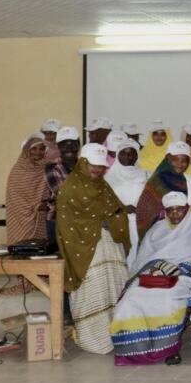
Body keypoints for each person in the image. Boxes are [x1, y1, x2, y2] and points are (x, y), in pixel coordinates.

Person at [111, 191, 191, 365]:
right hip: (153, 275)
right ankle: (133, 350)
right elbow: (143, 258)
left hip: (183, 276)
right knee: (130, 299)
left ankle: (168, 350)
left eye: (179, 210)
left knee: (167, 300)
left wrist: (175, 270)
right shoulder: (156, 229)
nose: (175, 214)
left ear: (187, 209)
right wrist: (156, 269)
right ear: (165, 212)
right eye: (171, 210)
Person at [56, 143, 132, 354]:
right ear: (83, 163)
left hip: (109, 247)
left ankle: (116, 335)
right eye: (93, 166)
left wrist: (115, 217)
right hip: (85, 251)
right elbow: (67, 224)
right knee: (93, 292)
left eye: (101, 167)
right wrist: (102, 220)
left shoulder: (102, 185)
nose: (98, 170)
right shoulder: (70, 188)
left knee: (114, 288)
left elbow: (115, 208)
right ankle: (94, 339)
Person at [136, 141, 191, 239]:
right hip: (160, 235)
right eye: (175, 159)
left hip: (188, 233)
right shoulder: (156, 181)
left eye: (184, 160)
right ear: (168, 159)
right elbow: (144, 211)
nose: (180, 164)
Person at [104, 139, 149, 252]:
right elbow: (104, 202)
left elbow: (150, 198)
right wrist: (123, 208)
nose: (128, 156)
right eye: (124, 153)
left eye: (132, 153)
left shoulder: (146, 174)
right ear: (118, 155)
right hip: (117, 223)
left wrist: (139, 207)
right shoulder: (107, 179)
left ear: (137, 155)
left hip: (141, 222)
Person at [6, 134, 49, 244]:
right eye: (33, 149)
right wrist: (35, 206)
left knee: (39, 249)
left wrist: (45, 204)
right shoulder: (18, 171)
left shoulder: (46, 168)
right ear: (26, 151)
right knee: (21, 248)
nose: (38, 152)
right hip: (20, 216)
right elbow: (15, 197)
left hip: (41, 217)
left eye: (41, 148)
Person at [44, 126, 81, 243]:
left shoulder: (85, 166)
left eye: (72, 144)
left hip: (83, 222)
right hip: (58, 222)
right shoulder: (51, 168)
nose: (68, 148)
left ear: (78, 145)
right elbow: (65, 195)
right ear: (58, 147)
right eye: (64, 144)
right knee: (60, 260)